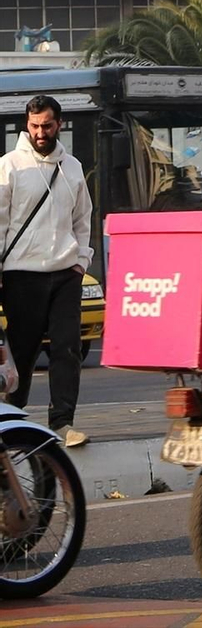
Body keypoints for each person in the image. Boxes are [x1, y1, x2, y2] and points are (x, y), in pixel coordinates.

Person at [0, 95, 93, 448]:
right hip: (22, 274)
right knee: (22, 353)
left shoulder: (72, 168)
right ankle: (13, 420)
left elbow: (83, 218)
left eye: (47, 126)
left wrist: (81, 261)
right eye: (35, 126)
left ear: (60, 124)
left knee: (68, 348)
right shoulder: (9, 166)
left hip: (65, 275)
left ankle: (64, 423)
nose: (41, 132)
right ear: (27, 125)